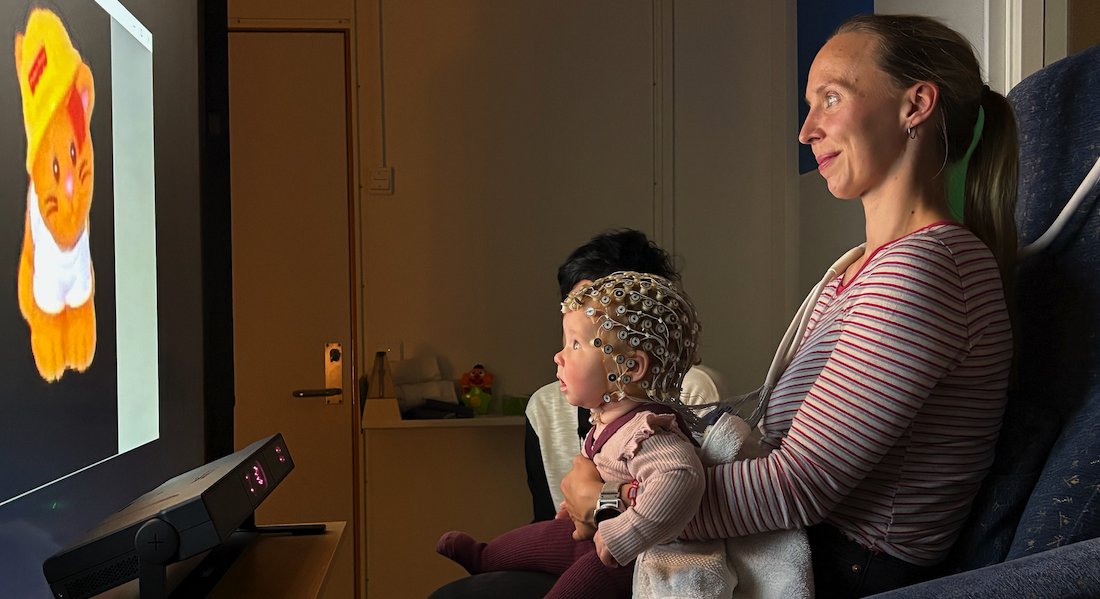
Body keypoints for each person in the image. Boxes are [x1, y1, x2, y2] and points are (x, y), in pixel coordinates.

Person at [560, 14, 1017, 599]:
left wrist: (610, 502)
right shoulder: (862, 267)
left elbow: (800, 485)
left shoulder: (929, 269)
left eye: (831, 98)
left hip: (840, 564)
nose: (806, 131)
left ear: (916, 105)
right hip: (791, 537)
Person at [436, 272, 707, 599]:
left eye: (576, 344)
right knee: (541, 536)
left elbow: (682, 479)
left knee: (575, 586)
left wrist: (625, 535)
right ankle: (487, 557)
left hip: (633, 556)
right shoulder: (608, 419)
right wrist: (572, 508)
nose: (559, 356)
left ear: (630, 368)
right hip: (600, 532)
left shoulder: (649, 431)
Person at [525, 230, 724, 522]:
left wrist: (603, 500)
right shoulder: (543, 408)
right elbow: (545, 522)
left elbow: (698, 501)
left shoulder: (692, 391)